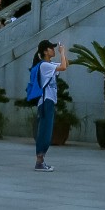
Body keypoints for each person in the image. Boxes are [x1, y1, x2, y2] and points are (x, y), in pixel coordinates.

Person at [29, 40, 66, 172]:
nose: (53, 50)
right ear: (45, 51)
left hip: (49, 101)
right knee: (44, 131)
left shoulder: (49, 64)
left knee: (47, 131)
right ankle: (39, 161)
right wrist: (62, 52)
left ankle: (41, 160)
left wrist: (63, 55)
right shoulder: (44, 65)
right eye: (51, 48)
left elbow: (64, 64)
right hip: (46, 101)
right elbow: (63, 67)